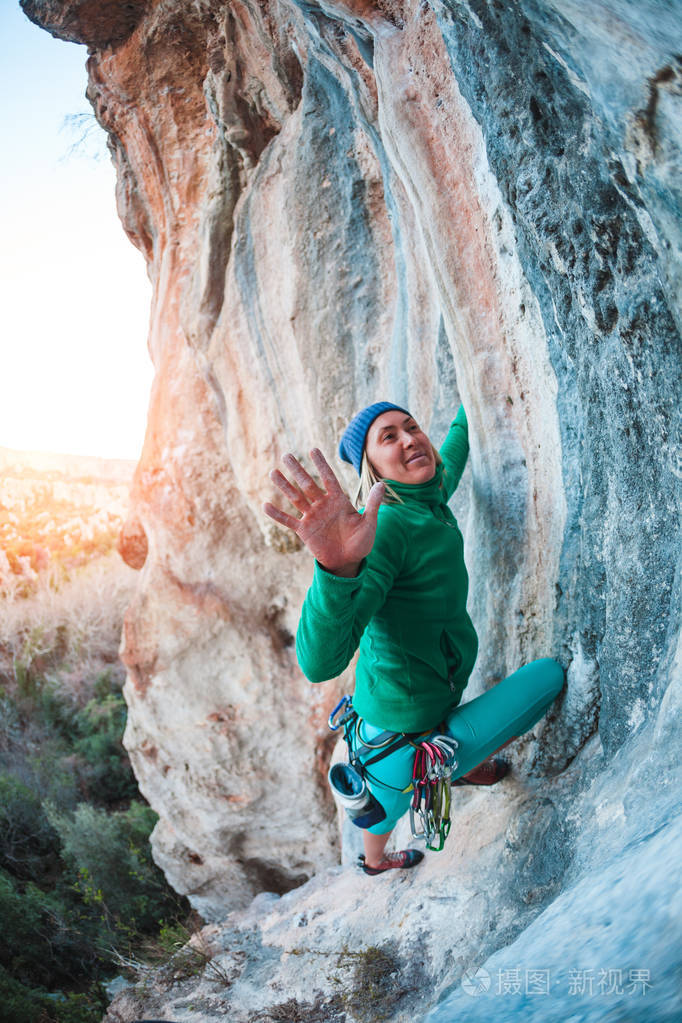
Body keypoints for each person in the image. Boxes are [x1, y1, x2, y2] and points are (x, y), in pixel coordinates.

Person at [263, 402, 564, 875]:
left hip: (413, 700)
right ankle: (378, 861)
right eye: (388, 438)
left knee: (390, 784)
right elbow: (320, 663)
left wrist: (474, 387)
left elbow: (453, 452)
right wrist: (336, 568)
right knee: (547, 679)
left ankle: (450, 773)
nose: (409, 439)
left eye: (411, 427)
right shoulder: (386, 529)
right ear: (372, 469)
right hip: (402, 735)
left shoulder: (427, 493)